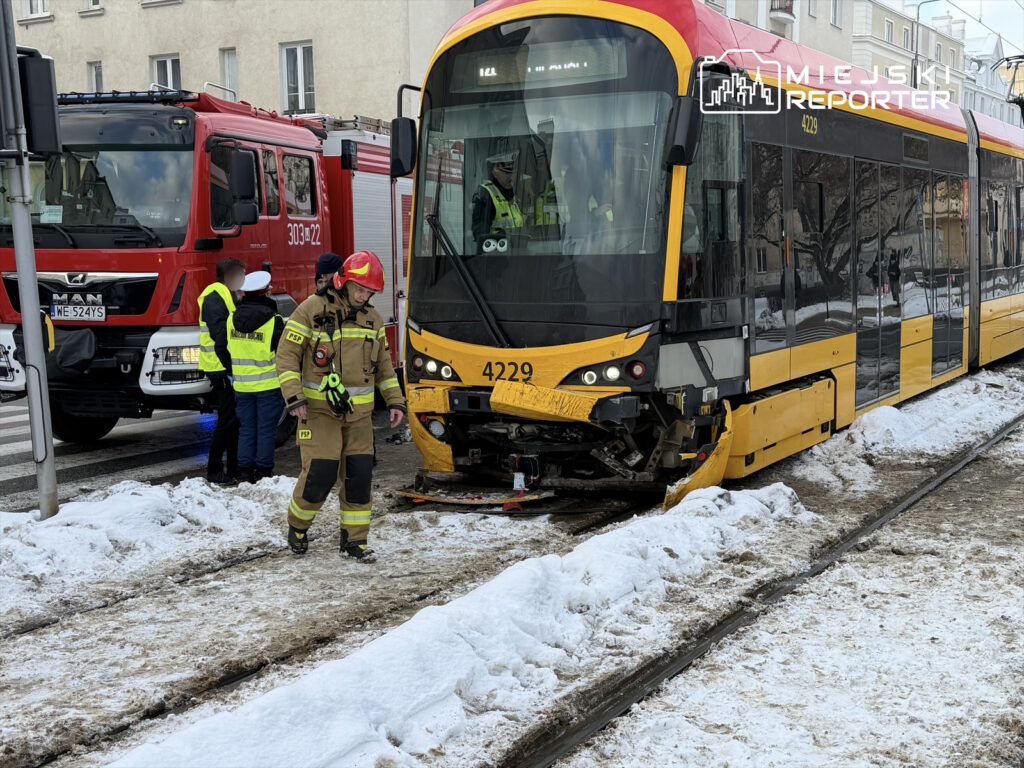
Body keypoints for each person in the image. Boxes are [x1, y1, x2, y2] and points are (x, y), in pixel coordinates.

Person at [276, 250, 406, 561]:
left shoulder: (372, 319)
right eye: (360, 289)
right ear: (343, 282)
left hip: (359, 418)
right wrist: (295, 398)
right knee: (320, 473)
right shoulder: (311, 310)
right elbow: (287, 356)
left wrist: (395, 400)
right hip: (319, 412)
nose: (364, 296)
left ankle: (354, 541)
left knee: (359, 478)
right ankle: (298, 526)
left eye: (369, 292)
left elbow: (384, 365)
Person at [228, 270, 285, 484]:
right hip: (268, 385)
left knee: (247, 429)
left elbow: (224, 349)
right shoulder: (274, 321)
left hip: (242, 386)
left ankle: (245, 472)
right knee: (266, 430)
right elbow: (284, 354)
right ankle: (264, 472)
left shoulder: (231, 319)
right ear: (266, 292)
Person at [198, 257, 245, 484]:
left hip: (223, 366)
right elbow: (221, 337)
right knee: (226, 422)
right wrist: (231, 368)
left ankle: (232, 468)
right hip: (220, 368)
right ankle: (215, 471)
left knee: (232, 421)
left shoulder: (225, 296)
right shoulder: (214, 298)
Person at [471, 150, 524, 252]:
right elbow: (481, 237)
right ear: (495, 171)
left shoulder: (513, 195)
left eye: (513, 173)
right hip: (496, 260)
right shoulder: (485, 195)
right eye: (507, 173)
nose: (512, 177)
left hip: (518, 257)